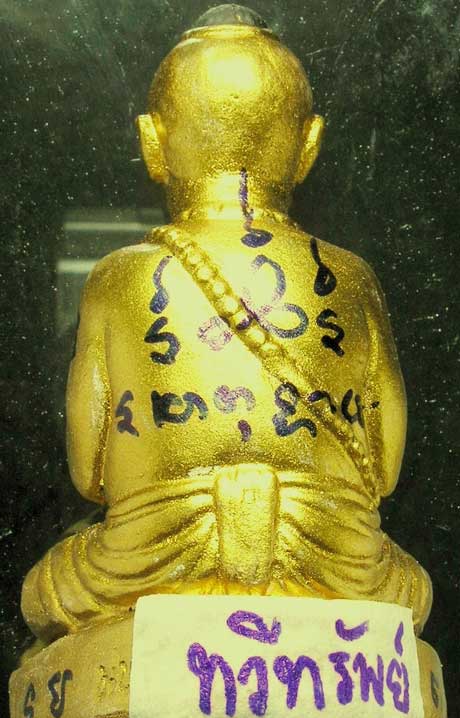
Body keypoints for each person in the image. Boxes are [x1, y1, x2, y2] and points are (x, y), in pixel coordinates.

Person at [21, 9, 431, 646]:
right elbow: (384, 468)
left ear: (152, 143)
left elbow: (87, 472)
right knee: (410, 589)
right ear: (309, 145)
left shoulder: (118, 277)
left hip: (152, 560)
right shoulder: (352, 279)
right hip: (333, 563)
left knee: (49, 591)